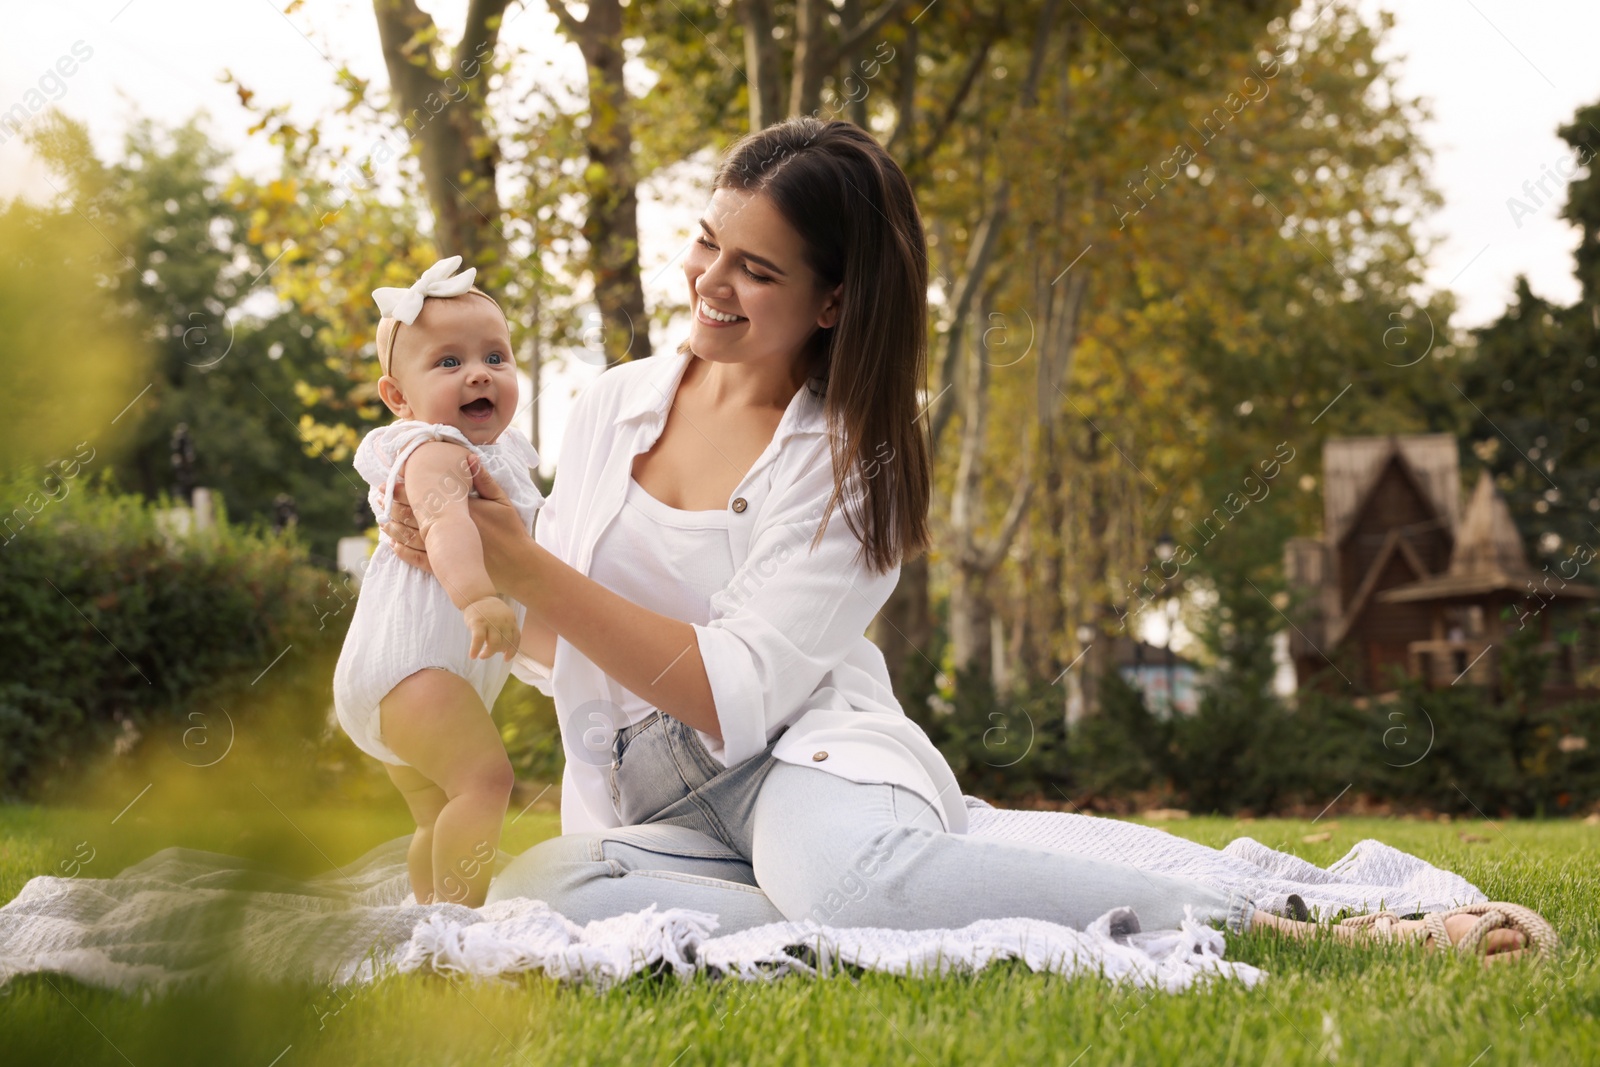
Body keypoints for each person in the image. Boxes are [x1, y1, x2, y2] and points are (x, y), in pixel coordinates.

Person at [378, 119, 1539, 961]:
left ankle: (1306, 927)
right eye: (707, 242)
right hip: (641, 801)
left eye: (756, 268)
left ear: (832, 302)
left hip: (791, 760)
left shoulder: (857, 461)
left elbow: (731, 692)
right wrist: (459, 563)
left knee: (850, 879)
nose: (710, 282)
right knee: (541, 898)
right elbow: (551, 650)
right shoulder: (608, 404)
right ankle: (903, 891)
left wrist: (528, 563)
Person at [333, 255, 545, 909]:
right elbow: (446, 525)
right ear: (398, 398)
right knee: (486, 782)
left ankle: (427, 916)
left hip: (409, 674)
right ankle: (461, 919)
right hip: (413, 667)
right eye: (448, 363)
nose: (479, 372)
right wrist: (478, 596)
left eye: (495, 357)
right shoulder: (433, 449)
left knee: (438, 811)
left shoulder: (497, 455)